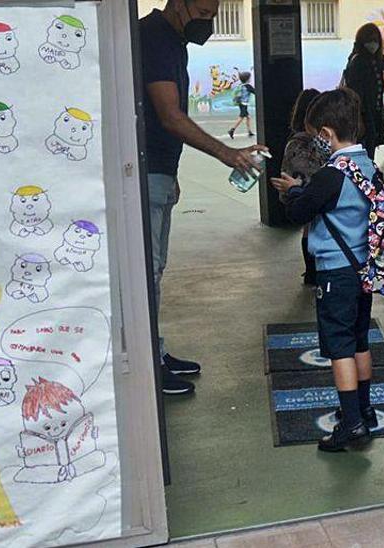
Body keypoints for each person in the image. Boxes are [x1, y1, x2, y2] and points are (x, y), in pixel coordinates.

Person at [140, 0, 268, 396]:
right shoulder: (154, 39)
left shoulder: (172, 41)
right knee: (148, 273)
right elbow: (169, 115)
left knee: (155, 271)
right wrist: (227, 153)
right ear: (178, 4)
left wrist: (170, 174)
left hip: (158, 170)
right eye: (205, 14)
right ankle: (148, 366)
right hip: (144, 172)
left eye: (214, 16)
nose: (209, 23)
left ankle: (155, 353)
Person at [270, 89, 376, 452]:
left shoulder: (332, 174)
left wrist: (293, 193)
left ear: (327, 135)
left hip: (335, 272)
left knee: (339, 348)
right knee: (360, 339)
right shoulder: (368, 167)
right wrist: (306, 190)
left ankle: (351, 423)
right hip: (363, 269)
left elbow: (299, 213)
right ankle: (365, 409)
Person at [342, 23, 384, 161]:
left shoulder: (374, 60)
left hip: (373, 115)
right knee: (364, 154)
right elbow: (357, 94)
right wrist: (360, 119)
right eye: (370, 40)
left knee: (369, 152)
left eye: (376, 40)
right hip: (363, 116)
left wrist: (381, 118)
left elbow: (377, 95)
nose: (373, 43)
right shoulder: (358, 62)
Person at [290, 88, 324, 287]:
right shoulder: (319, 140)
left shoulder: (295, 141)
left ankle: (310, 272)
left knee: (308, 229)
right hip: (318, 191)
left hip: (302, 190)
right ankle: (316, 270)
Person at [227, 71, 255, 139]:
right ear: (247, 79)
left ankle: (249, 132)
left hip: (241, 103)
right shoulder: (248, 86)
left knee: (248, 117)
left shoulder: (241, 85)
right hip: (244, 104)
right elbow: (255, 92)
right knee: (241, 117)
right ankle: (232, 130)